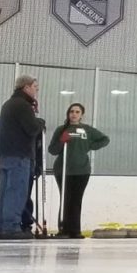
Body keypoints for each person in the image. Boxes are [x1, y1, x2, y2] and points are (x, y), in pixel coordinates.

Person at [47, 102, 110, 239]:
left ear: (81, 115)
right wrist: (62, 141)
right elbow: (52, 150)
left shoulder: (87, 130)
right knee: (66, 199)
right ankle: (63, 230)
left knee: (76, 200)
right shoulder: (61, 129)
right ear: (68, 114)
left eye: (77, 112)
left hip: (82, 170)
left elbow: (105, 139)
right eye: (71, 111)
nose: (74, 114)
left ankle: (75, 230)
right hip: (63, 170)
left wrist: (90, 145)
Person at [0, 75, 44, 240]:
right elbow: (31, 129)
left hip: (6, 154)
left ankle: (1, 226)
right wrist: (40, 123)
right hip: (19, 155)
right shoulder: (23, 105)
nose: (37, 90)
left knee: (6, 193)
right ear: (26, 87)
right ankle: (11, 227)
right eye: (35, 87)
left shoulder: (8, 104)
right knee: (16, 192)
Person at [0, 119, 35, 233]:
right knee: (16, 194)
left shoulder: (23, 123)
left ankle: (8, 225)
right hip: (18, 161)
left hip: (20, 162)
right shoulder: (5, 122)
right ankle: (13, 226)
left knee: (11, 194)